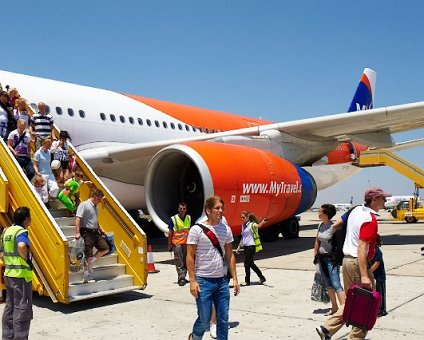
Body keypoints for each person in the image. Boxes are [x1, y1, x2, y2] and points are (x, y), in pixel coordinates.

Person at [316, 187, 391, 340]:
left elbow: (336, 225)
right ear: (374, 199)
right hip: (358, 263)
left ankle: (327, 328)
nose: (385, 201)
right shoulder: (370, 219)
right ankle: (355, 338)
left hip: (347, 262)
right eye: (383, 198)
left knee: (353, 300)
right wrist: (364, 275)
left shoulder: (355, 210)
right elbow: (362, 246)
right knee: (365, 304)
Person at [186, 196, 240, 340]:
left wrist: (235, 279)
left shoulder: (226, 230)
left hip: (221, 281)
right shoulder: (196, 230)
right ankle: (195, 337)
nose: (221, 211)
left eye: (222, 208)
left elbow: (230, 255)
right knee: (204, 320)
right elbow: (190, 256)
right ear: (208, 210)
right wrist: (192, 280)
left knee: (222, 318)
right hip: (203, 281)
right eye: (217, 208)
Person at [1, 206, 33, 339]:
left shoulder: (7, 231)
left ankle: (7, 336)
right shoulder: (21, 232)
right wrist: (25, 259)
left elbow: (2, 253)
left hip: (9, 274)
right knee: (22, 309)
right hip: (21, 277)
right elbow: (21, 246)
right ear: (26, 219)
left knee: (10, 307)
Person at [313, 204, 345, 316]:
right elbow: (317, 240)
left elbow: (339, 243)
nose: (318, 213)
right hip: (321, 258)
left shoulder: (334, 227)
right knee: (328, 284)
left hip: (331, 259)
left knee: (336, 284)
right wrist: (315, 254)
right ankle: (334, 307)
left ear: (325, 214)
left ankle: (344, 310)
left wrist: (336, 257)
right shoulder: (320, 225)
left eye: (320, 211)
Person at [75, 190, 109, 282]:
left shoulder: (95, 207)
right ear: (95, 196)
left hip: (95, 232)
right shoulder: (84, 204)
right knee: (88, 254)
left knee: (105, 248)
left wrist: (100, 229)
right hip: (87, 231)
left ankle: (91, 261)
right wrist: (77, 232)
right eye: (99, 199)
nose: (100, 201)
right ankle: (86, 275)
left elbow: (95, 219)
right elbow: (78, 218)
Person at [236, 210, 266, 286]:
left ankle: (247, 281)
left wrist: (262, 223)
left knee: (246, 264)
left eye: (243, 217)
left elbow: (258, 226)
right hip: (246, 247)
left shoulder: (252, 224)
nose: (242, 219)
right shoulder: (243, 226)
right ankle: (262, 277)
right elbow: (243, 237)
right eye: (241, 217)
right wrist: (239, 246)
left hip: (251, 246)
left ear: (247, 217)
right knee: (251, 264)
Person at [168, 202, 191, 286]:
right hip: (177, 243)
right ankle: (181, 278)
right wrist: (169, 244)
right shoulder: (173, 219)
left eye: (184, 208)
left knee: (186, 261)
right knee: (179, 261)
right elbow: (170, 233)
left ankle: (183, 276)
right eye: (180, 208)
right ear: (178, 209)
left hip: (186, 243)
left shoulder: (188, 218)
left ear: (186, 209)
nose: (182, 210)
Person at [370, 234, 387, 317]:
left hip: (379, 276)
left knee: (380, 292)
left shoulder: (377, 251)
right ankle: (375, 308)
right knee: (374, 293)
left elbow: (377, 264)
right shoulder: (370, 250)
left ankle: (382, 310)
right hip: (373, 275)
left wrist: (368, 271)